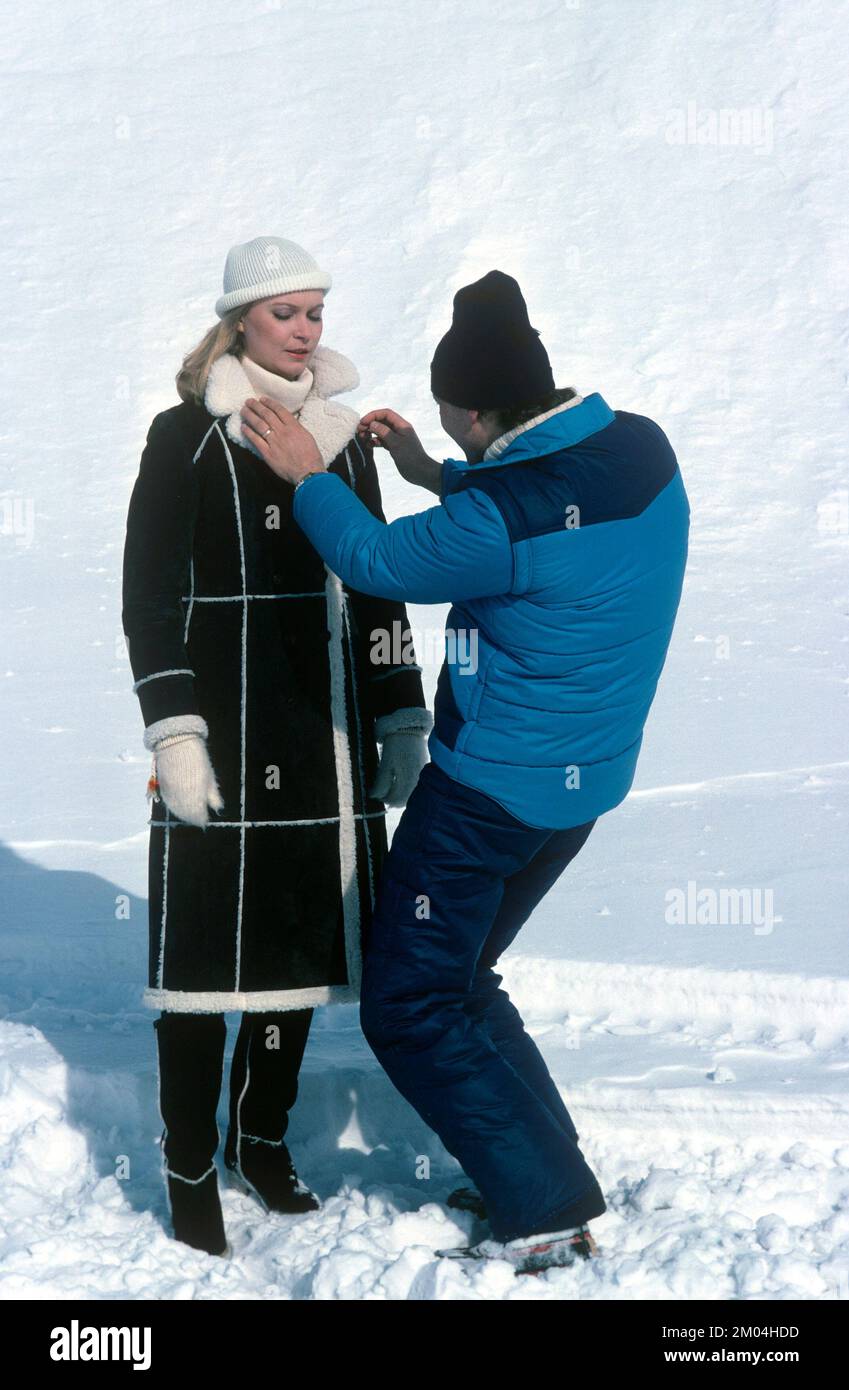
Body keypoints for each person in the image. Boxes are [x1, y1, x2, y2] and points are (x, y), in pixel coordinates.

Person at [241, 268, 690, 1275]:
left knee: (409, 999)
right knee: (463, 975)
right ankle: (545, 1177)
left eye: (451, 415)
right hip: (586, 783)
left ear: (477, 407)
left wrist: (312, 474)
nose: (444, 424)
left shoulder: (503, 518)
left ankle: (541, 1211)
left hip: (488, 790)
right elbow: (540, 510)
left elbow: (382, 563)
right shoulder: (639, 449)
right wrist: (436, 468)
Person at [121, 235, 431, 1257]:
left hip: (324, 738)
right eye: (284, 313)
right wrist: (174, 731)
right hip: (219, 739)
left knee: (298, 949)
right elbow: (149, 595)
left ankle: (260, 1138)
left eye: (315, 313)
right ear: (239, 319)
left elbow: (379, 576)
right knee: (206, 962)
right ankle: (188, 1163)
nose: (305, 331)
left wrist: (398, 710)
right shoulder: (183, 438)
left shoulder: (341, 437)